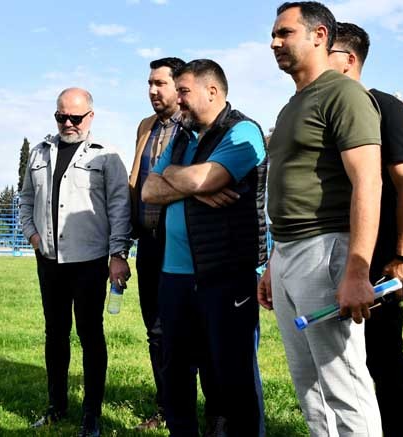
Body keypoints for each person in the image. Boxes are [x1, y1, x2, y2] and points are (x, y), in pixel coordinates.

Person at [260, 2, 384, 435]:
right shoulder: (292, 105)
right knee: (309, 386)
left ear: (319, 35)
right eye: (273, 34)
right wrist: (274, 262)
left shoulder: (343, 94)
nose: (274, 42)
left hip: (325, 250)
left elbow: (368, 182)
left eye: (285, 33)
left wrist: (357, 270)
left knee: (343, 384)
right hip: (289, 253)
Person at [141, 59, 266, 437]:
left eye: (184, 91)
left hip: (225, 274)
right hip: (174, 276)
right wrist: (191, 186)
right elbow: (148, 190)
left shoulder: (242, 131)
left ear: (212, 91)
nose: (177, 100)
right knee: (176, 373)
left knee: (233, 376)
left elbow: (207, 178)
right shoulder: (183, 136)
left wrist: (176, 177)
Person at [18, 87, 132, 437]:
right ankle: (56, 406)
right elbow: (25, 199)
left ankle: (91, 414)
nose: (68, 123)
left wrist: (118, 255)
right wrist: (33, 236)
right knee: (55, 333)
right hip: (49, 259)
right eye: (61, 116)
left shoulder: (106, 155)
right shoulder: (39, 152)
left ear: (90, 116)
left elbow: (119, 206)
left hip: (89, 260)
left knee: (90, 333)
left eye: (75, 117)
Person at [329, 22, 403, 436]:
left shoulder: (385, 107)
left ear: (349, 60)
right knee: (340, 365)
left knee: (382, 360)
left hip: (377, 259)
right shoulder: (324, 113)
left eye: (326, 52)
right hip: (331, 254)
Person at [127, 56, 186, 430]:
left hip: (181, 244)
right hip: (148, 244)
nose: (152, 90)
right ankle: (166, 408)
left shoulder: (193, 125)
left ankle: (210, 412)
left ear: (180, 87)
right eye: (150, 83)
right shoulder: (145, 127)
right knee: (156, 330)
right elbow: (135, 183)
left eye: (159, 83)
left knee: (188, 329)